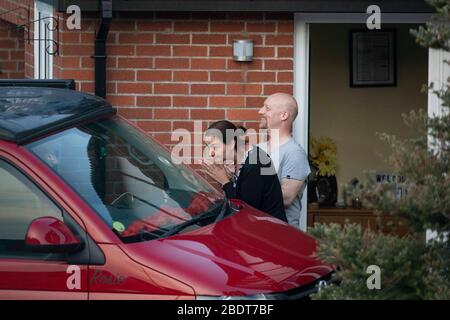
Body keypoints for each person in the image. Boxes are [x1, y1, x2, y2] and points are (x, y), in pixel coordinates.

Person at [200, 120, 287, 222]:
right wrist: (226, 179)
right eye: (207, 146)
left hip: (270, 231)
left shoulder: (254, 164)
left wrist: (224, 182)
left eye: (215, 147)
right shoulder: (241, 160)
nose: (211, 153)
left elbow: (244, 212)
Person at [258, 93, 310, 228]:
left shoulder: (294, 153)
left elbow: (285, 198)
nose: (260, 111)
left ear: (283, 115)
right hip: (257, 232)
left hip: (282, 235)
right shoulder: (257, 149)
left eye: (267, 108)